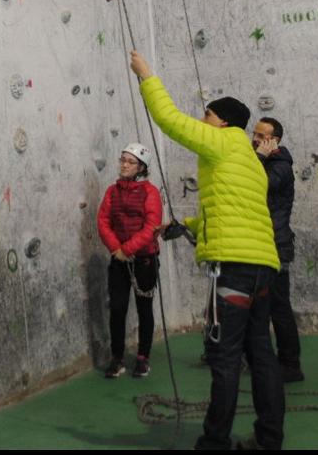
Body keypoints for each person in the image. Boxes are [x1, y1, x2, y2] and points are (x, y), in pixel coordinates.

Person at [129, 50, 284, 450]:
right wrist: (186, 226)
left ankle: (214, 443)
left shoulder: (222, 142)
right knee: (261, 355)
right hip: (263, 268)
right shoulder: (249, 160)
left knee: (225, 357)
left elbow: (170, 120)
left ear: (223, 121)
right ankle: (269, 440)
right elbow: (236, 212)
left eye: (208, 115)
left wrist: (146, 75)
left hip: (233, 269)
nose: (203, 121)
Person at [97, 143, 163, 379]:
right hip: (119, 259)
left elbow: (151, 227)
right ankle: (117, 358)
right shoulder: (112, 192)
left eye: (130, 161)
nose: (124, 164)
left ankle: (143, 357)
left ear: (141, 167)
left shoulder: (150, 192)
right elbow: (103, 221)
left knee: (145, 308)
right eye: (122, 159)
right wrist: (117, 249)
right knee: (117, 308)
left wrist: (128, 249)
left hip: (144, 259)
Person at [252, 117, 302, 383]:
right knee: (260, 305)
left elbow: (260, 186)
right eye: (255, 133)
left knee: (279, 307)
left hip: (275, 245)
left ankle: (290, 364)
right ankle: (264, 359)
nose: (255, 139)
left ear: (274, 141)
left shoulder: (280, 166)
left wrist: (259, 157)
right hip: (262, 243)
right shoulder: (263, 160)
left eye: (262, 136)